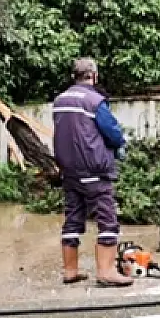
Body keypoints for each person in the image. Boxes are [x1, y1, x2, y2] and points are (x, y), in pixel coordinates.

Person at [52, 58, 132, 287]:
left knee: (72, 220)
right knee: (107, 220)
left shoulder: (59, 101)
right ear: (94, 76)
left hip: (69, 171)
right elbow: (113, 133)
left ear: (73, 77)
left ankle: (70, 271)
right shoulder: (94, 101)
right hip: (94, 171)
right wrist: (119, 146)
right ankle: (106, 272)